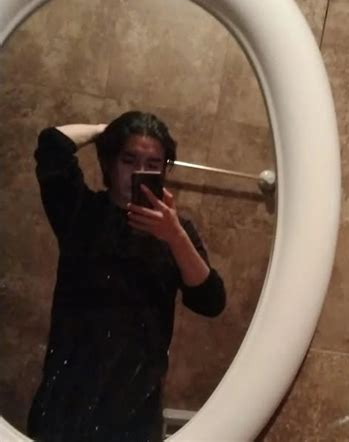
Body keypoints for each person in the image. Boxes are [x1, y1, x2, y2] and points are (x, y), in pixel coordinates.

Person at [27, 111, 226, 442]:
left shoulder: (176, 233)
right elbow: (52, 144)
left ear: (164, 170)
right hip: (65, 397)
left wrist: (175, 236)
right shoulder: (81, 211)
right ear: (110, 162)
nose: (139, 171)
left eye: (153, 163)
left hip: (135, 410)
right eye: (128, 159)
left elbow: (212, 301)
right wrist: (103, 131)